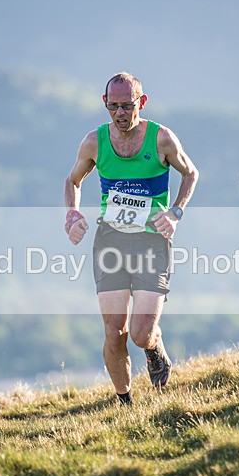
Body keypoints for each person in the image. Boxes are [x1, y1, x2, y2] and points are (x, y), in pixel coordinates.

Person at [64, 72, 199, 404]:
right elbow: (73, 181)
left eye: (127, 105)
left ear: (142, 102)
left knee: (140, 334)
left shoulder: (161, 139)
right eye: (113, 106)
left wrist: (175, 212)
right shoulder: (94, 142)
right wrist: (72, 214)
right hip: (110, 242)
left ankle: (154, 347)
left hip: (152, 243)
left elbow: (191, 173)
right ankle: (125, 403)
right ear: (104, 103)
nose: (121, 113)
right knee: (114, 333)